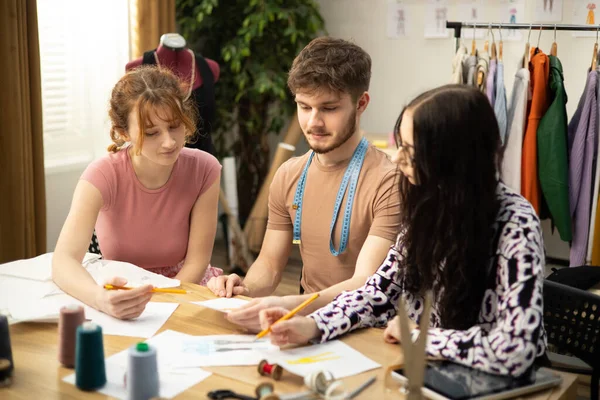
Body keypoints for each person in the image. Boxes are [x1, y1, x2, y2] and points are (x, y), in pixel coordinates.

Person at [258, 85, 547, 377]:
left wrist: (422, 337)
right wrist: (314, 324)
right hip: (429, 370)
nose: (396, 159)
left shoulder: (515, 223)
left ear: (451, 157)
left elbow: (516, 349)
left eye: (409, 150)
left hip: (496, 381)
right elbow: (378, 294)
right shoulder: (426, 204)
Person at [207, 37, 401, 330]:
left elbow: (365, 284)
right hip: (307, 319)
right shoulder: (288, 175)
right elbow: (270, 266)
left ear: (361, 103)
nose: (313, 122)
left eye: (329, 108)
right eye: (304, 107)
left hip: (371, 328)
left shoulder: (388, 181)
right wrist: (243, 289)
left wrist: (288, 305)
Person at [52, 66, 222, 320]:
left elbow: (197, 263)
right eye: (152, 133)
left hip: (183, 288)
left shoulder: (204, 168)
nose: (169, 142)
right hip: (118, 291)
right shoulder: (101, 175)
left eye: (175, 126)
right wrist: (102, 300)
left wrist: (156, 303)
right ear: (123, 132)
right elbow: (63, 260)